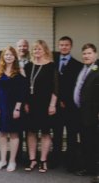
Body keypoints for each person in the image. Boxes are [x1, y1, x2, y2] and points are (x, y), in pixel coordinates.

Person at [0, 46, 27, 172]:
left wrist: (17, 109)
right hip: (1, 106)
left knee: (14, 134)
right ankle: (2, 160)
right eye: (6, 54)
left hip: (14, 106)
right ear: (3, 56)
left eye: (11, 54)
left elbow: (22, 92)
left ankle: (12, 161)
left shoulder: (19, 70)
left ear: (15, 56)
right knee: (2, 133)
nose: (8, 56)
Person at [24, 40, 58, 173]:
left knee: (45, 133)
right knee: (31, 132)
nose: (36, 51)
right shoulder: (28, 65)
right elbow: (25, 87)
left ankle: (43, 160)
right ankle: (32, 159)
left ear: (45, 50)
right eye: (34, 49)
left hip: (45, 104)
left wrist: (52, 104)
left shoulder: (51, 66)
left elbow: (56, 88)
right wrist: (26, 102)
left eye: (39, 49)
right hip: (31, 104)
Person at [50, 36, 83, 170]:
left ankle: (71, 162)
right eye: (61, 45)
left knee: (71, 135)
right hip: (56, 106)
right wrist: (57, 101)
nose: (64, 47)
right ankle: (56, 160)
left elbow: (77, 87)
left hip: (70, 108)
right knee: (56, 134)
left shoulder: (78, 65)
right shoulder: (52, 63)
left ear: (71, 46)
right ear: (59, 46)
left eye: (66, 45)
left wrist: (66, 102)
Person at [73, 44, 99, 179]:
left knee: (94, 143)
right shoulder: (83, 69)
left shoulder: (97, 69)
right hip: (81, 113)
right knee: (85, 142)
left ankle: (95, 171)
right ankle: (87, 167)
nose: (86, 56)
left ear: (95, 54)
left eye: (89, 53)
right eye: (84, 54)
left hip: (93, 114)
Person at [15, 39, 30, 164]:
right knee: (18, 129)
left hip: (29, 100)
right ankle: (18, 156)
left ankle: (31, 157)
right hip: (16, 101)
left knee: (29, 130)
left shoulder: (32, 61)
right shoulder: (13, 62)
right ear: (16, 47)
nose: (22, 48)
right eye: (20, 46)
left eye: (24, 46)